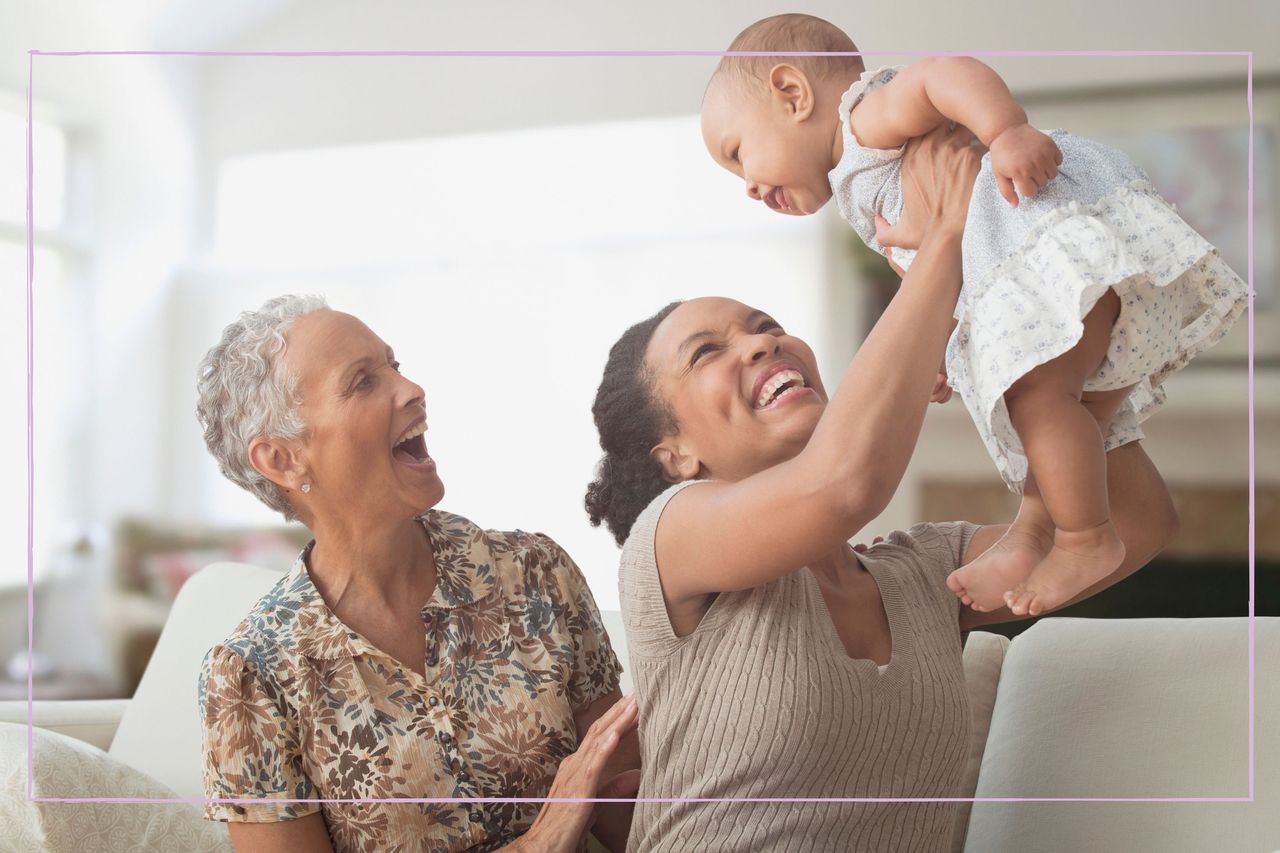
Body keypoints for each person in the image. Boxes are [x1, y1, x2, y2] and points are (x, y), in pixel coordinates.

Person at [585, 125, 1180, 851]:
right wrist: (947, 237)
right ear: (674, 453)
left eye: (765, 325)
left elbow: (1139, 523)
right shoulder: (671, 538)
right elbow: (842, 484)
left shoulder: (928, 573)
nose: (762, 342)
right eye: (709, 351)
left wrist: (1048, 366)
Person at [699, 13, 1245, 616]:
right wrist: (937, 344)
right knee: (1063, 420)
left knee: (1036, 404)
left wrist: (1006, 130)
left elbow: (941, 75)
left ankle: (1084, 538)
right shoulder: (867, 186)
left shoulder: (863, 121)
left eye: (737, 152)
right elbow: (941, 264)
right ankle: (1035, 532)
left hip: (1060, 254)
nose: (747, 185)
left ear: (792, 94)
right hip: (1083, 284)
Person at [195, 296, 640, 853]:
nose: (411, 390)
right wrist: (536, 844)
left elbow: (633, 820)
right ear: (283, 460)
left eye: (394, 366)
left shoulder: (536, 573)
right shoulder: (251, 676)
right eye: (361, 382)